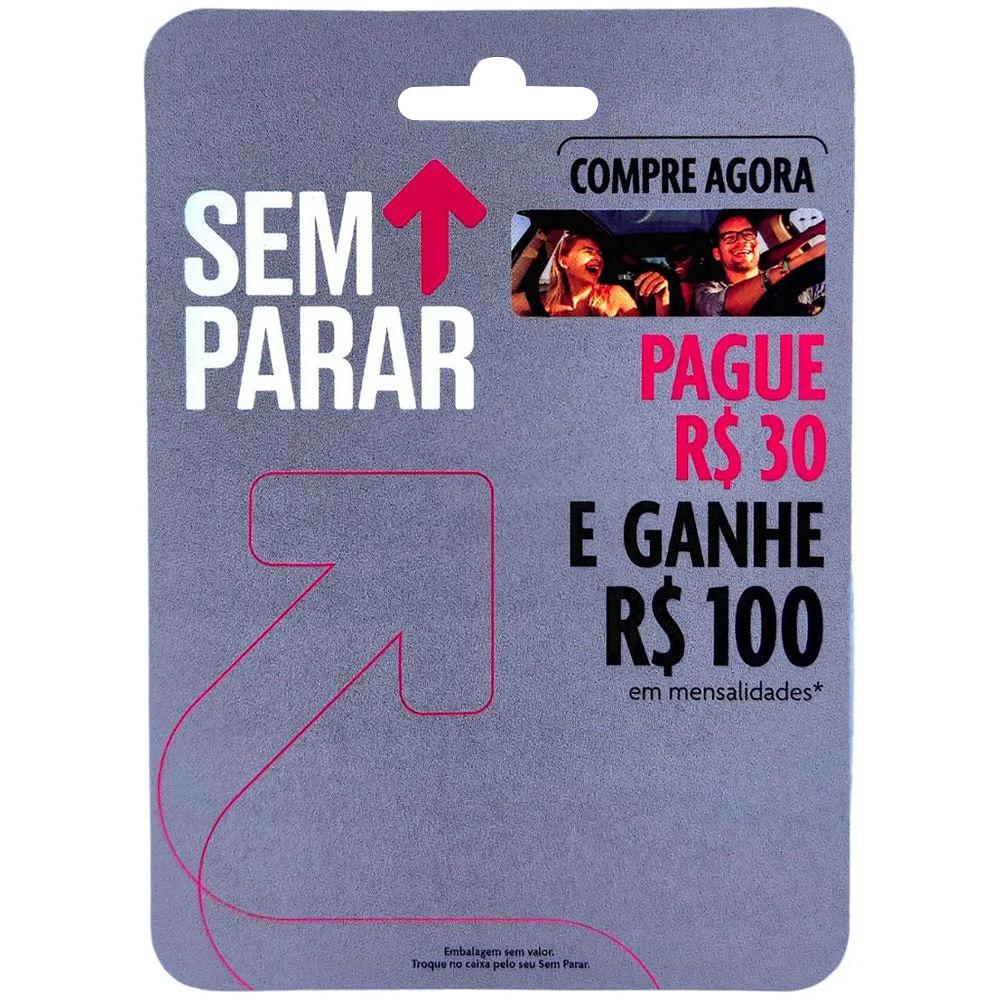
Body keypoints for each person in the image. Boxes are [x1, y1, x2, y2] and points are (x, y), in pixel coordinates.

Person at [692, 211, 827, 316]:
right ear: (717, 253)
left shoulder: (790, 280)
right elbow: (729, 305)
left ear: (756, 243)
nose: (742, 241)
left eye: (748, 234)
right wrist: (806, 258)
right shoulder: (706, 291)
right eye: (729, 237)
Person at [513, 232, 670, 317]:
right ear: (563, 262)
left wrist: (662, 298)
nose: (598, 258)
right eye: (588, 251)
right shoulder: (535, 302)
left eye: (599, 253)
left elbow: (647, 342)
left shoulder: (615, 295)